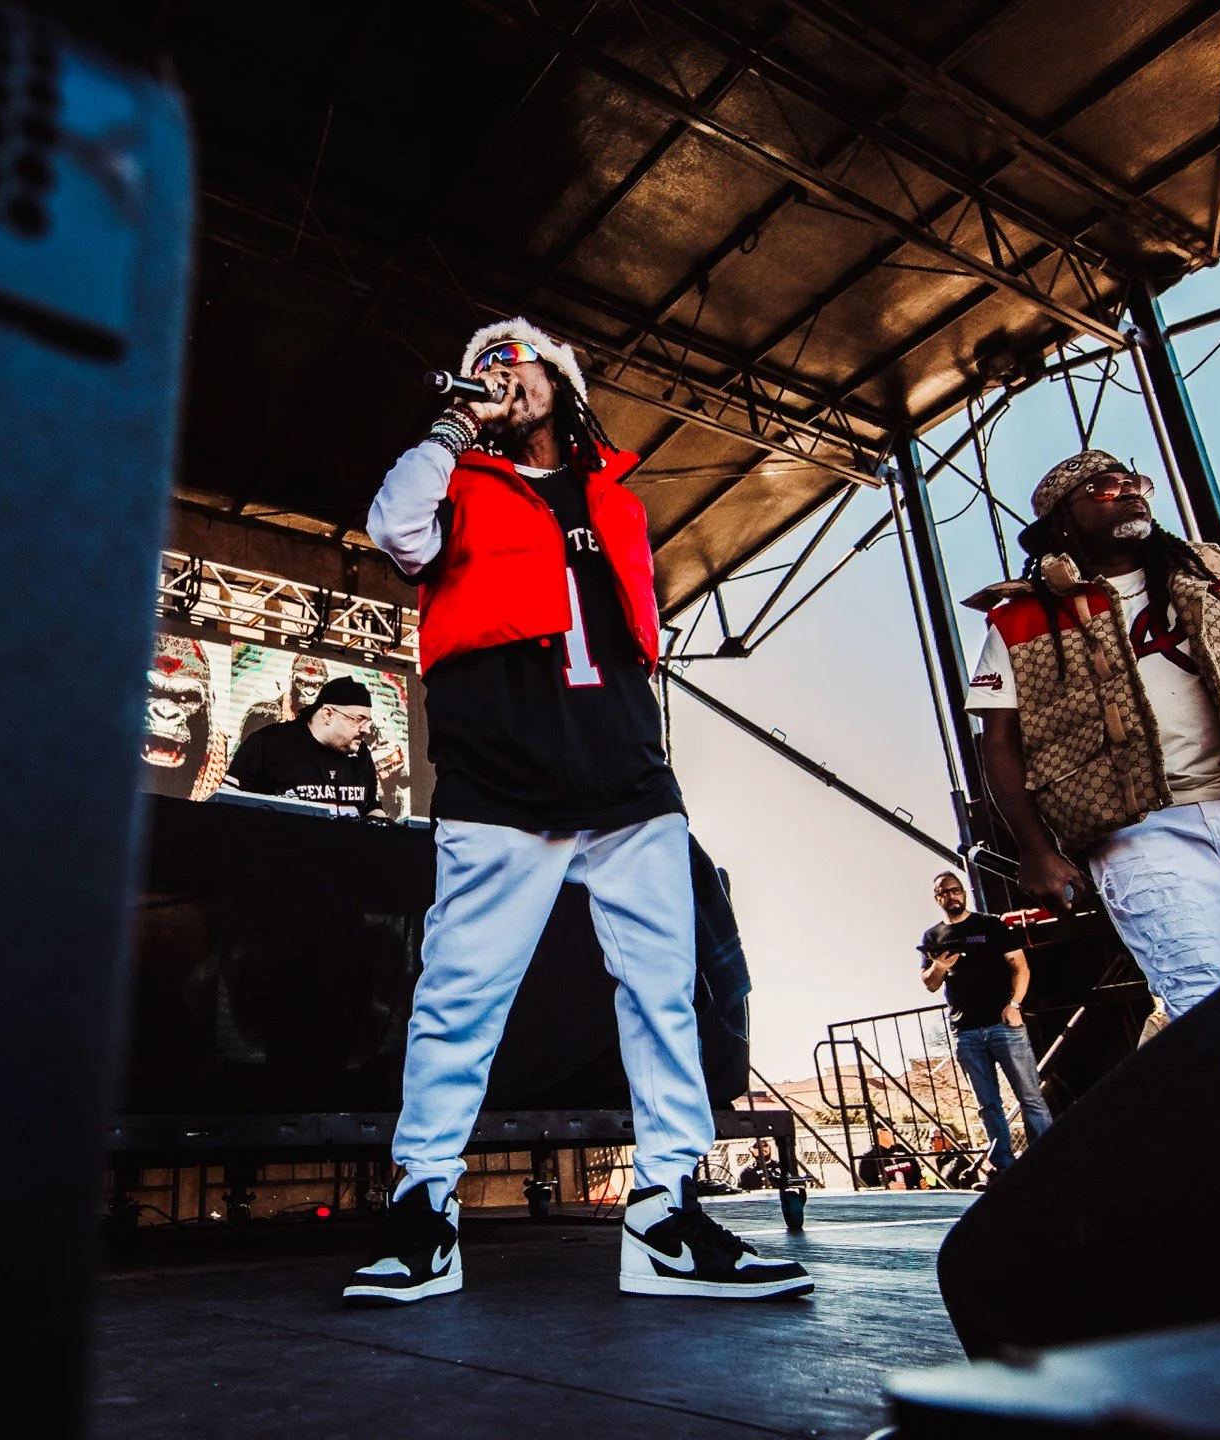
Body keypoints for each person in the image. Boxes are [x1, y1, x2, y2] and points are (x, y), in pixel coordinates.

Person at [348, 317, 810, 1305]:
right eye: (484, 369)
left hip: (626, 775)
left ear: (561, 381)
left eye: (517, 364)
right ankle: (424, 1207)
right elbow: (394, 531)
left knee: (662, 996)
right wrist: (448, 429)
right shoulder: (456, 480)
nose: (501, 379)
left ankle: (667, 1212)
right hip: (500, 775)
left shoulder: (617, 502)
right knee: (459, 1000)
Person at [965, 449, 1220, 1020]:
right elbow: (999, 744)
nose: (1128, 491)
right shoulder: (1020, 618)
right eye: (1103, 489)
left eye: (1133, 482)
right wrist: (1036, 851)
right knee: (1204, 996)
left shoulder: (1216, 583)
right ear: (1063, 520)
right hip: (1141, 829)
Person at [921, 871, 1051, 1173]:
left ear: (963, 891)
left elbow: (1020, 966)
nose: (951, 896)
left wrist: (1014, 1005)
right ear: (937, 898)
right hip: (966, 1032)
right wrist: (940, 965)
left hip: (1004, 1025)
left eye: (955, 890)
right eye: (944, 893)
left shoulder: (990, 925)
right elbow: (929, 983)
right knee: (988, 1104)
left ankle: (1049, 1157)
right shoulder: (933, 937)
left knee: (1030, 1096)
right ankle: (1004, 1167)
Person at [224, 675, 384, 816]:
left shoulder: (362, 754)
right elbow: (224, 805)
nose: (366, 730)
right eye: (358, 719)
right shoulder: (267, 743)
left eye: (368, 722)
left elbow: (371, 807)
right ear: (328, 714)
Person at [856, 1123, 920, 1190]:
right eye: (892, 1130)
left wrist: (921, 1183)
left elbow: (917, 1173)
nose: (896, 1134)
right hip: (887, 1199)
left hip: (911, 1196)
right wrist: (887, 1188)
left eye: (896, 1130)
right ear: (880, 1132)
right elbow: (864, 1188)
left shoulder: (902, 1149)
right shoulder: (868, 1157)